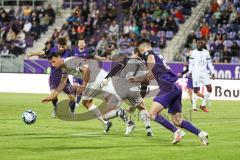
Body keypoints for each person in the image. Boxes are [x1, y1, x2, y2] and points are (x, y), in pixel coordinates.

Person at [129, 39, 209, 145]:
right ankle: (201, 134)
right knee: (177, 121)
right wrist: (136, 78)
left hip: (167, 87)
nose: (139, 51)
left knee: (152, 114)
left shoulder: (149, 53)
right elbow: (148, 77)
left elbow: (150, 67)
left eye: (139, 49)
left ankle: (177, 132)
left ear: (142, 48)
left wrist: (146, 71)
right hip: (176, 87)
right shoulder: (157, 54)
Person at [42, 53, 113, 133]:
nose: (53, 65)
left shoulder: (69, 61)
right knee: (100, 100)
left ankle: (107, 121)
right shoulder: (64, 67)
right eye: (51, 63)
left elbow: (86, 70)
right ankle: (113, 121)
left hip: (94, 76)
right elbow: (63, 82)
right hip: (97, 75)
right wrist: (52, 96)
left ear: (58, 58)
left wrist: (83, 85)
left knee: (87, 102)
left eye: (54, 61)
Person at [102, 48, 153, 136]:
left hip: (121, 89)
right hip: (134, 91)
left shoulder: (127, 60)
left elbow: (116, 68)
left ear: (135, 53)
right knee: (142, 108)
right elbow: (146, 82)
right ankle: (149, 131)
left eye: (133, 53)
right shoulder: (144, 66)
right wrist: (141, 96)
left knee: (105, 115)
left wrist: (106, 78)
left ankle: (122, 115)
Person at [189, 38, 215, 112]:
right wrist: (190, 72)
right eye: (198, 43)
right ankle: (194, 107)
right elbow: (191, 63)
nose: (199, 44)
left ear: (203, 44)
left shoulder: (206, 52)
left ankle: (202, 105)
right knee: (196, 90)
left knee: (209, 89)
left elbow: (209, 63)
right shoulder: (193, 52)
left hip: (204, 72)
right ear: (196, 44)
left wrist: (212, 72)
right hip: (195, 72)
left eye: (201, 43)